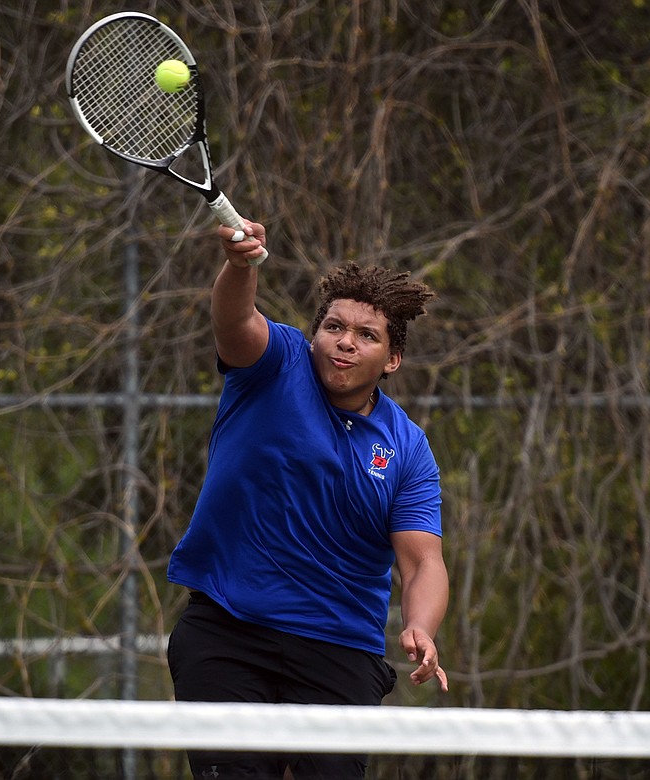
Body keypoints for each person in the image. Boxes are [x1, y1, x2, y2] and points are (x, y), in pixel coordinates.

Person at [166, 219, 449, 780]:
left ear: (391, 360)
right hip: (227, 631)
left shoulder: (408, 448)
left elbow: (423, 560)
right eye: (334, 326)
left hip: (339, 648)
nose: (345, 341)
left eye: (367, 335)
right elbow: (234, 321)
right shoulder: (277, 365)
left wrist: (420, 626)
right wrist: (241, 265)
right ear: (314, 332)